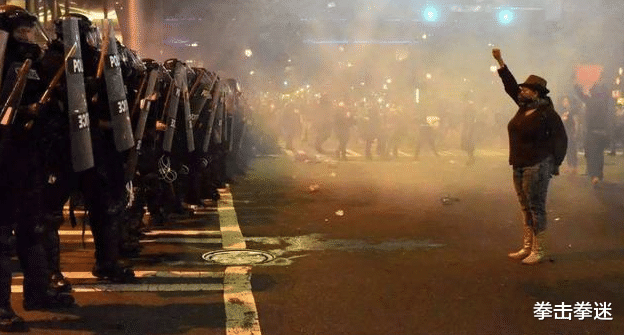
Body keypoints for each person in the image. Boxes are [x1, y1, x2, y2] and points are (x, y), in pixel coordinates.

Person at [0, 5, 75, 331]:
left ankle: (38, 291)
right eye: (21, 31)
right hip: (3, 157)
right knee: (2, 236)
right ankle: (2, 307)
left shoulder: (38, 63)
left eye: (30, 30)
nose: (28, 36)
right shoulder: (2, 62)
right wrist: (20, 113)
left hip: (30, 158)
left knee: (34, 228)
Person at [492, 48, 567, 265]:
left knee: (536, 207)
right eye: (522, 88)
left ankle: (539, 249)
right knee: (525, 206)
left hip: (538, 165)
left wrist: (555, 163)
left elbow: (561, 139)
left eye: (526, 88)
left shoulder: (547, 114)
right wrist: (500, 61)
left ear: (536, 93)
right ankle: (527, 247)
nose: (521, 90)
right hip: (519, 163)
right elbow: (510, 86)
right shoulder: (523, 108)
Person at [574, 76, 613, 185]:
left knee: (591, 154)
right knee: (600, 154)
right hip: (603, 132)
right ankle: (599, 174)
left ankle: (594, 175)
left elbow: (581, 95)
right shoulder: (604, 102)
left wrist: (576, 85)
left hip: (592, 133)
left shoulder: (590, 101)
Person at [558, 95, 580, 174]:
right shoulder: (563, 110)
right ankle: (569, 165)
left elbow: (576, 121)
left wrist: (575, 132)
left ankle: (574, 166)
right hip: (565, 132)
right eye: (563, 101)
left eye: (566, 101)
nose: (564, 103)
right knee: (567, 150)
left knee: (572, 149)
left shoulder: (572, 110)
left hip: (571, 132)